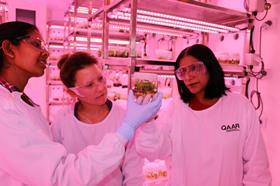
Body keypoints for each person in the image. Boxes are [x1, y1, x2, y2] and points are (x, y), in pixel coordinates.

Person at [0, 21, 162, 186]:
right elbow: (61, 175)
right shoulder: (7, 109)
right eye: (36, 44)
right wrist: (126, 129)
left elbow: (135, 173)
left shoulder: (19, 102)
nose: (46, 52)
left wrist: (143, 125)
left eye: (100, 79)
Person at [136, 44, 271, 186]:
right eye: (182, 71)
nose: (188, 76)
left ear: (210, 67)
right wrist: (148, 122)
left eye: (194, 68)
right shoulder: (175, 109)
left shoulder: (240, 107)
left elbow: (257, 168)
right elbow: (153, 151)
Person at [51, 51, 144, 185]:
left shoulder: (124, 118)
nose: (100, 88)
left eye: (100, 78)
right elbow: (58, 171)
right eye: (89, 85)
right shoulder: (62, 121)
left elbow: (134, 173)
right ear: (72, 92)